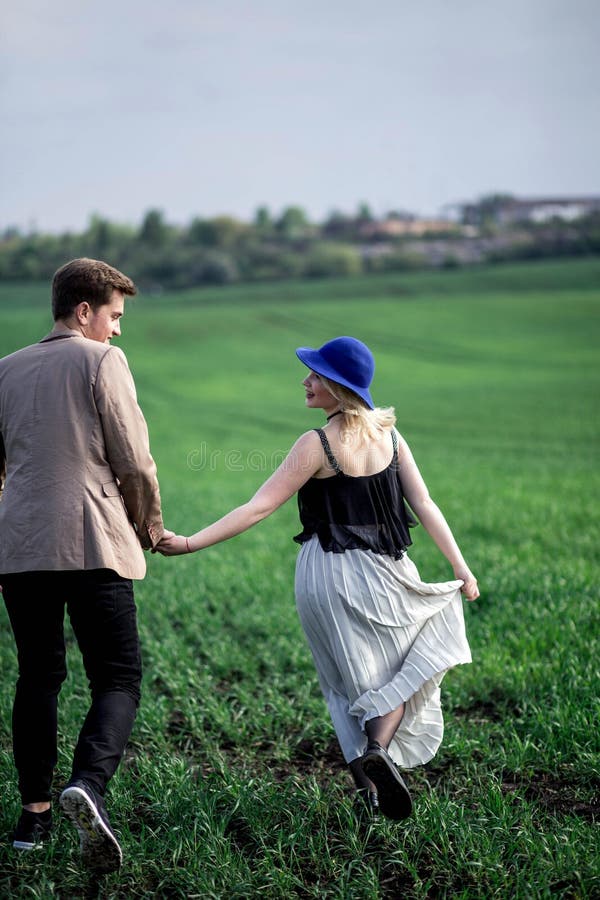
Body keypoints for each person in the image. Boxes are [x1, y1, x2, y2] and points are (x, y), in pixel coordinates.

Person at [156, 336, 479, 820]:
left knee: (342, 684)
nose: (306, 382)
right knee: (400, 671)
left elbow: (259, 507)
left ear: (337, 386)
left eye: (315, 375)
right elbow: (425, 504)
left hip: (324, 575)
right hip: (386, 570)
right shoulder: (391, 438)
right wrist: (460, 566)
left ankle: (369, 792)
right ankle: (379, 750)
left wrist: (188, 542)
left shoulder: (317, 443)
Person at [0, 258, 164, 873]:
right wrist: (149, 527)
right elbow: (135, 460)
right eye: (114, 316)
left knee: (38, 677)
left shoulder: (4, 369)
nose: (118, 331)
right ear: (85, 310)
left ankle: (33, 816)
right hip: (94, 542)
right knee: (118, 676)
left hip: (19, 549)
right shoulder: (101, 361)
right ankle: (88, 788)